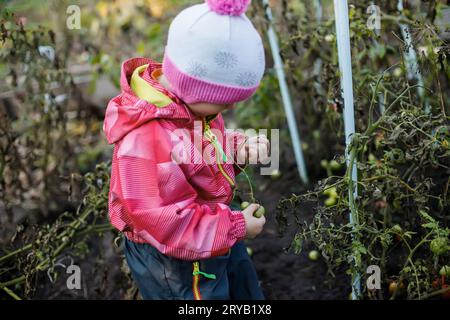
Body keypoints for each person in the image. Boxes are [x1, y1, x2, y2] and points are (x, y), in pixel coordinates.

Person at [103, 0, 269, 300]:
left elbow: (196, 148)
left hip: (209, 228)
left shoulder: (191, 109)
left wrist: (235, 149)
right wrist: (236, 226)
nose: (230, 107)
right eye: (224, 100)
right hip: (175, 256)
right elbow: (165, 221)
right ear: (193, 88)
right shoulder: (142, 140)